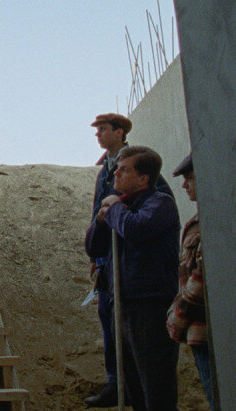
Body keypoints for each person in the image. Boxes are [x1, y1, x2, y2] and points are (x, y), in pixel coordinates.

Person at [85, 114, 173, 408]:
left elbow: (136, 229)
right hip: (122, 297)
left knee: (154, 381)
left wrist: (113, 209)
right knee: (131, 378)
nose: (115, 177)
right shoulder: (118, 197)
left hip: (148, 301)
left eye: (123, 171)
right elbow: (93, 244)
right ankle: (114, 384)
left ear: (143, 177)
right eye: (116, 171)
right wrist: (101, 219)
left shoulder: (158, 201)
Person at [167, 153, 214, 409]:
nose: (185, 185)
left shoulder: (210, 223)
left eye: (190, 178)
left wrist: (177, 318)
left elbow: (198, 284)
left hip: (206, 330)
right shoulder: (199, 220)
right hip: (202, 333)